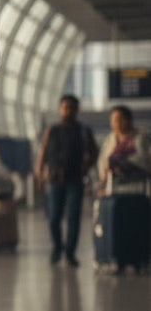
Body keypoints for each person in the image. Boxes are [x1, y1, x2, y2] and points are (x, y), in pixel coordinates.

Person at [34, 94, 98, 266]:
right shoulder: (51, 130)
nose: (67, 110)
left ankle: (70, 253)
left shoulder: (84, 131)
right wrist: (39, 172)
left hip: (75, 179)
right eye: (64, 107)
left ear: (76, 110)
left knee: (73, 218)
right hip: (54, 180)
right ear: (59, 109)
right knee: (54, 217)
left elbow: (94, 152)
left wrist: (87, 164)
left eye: (71, 107)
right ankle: (57, 248)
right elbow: (43, 152)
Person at [96, 104, 151, 188]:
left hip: (138, 187)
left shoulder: (141, 138)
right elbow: (103, 161)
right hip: (114, 187)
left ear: (128, 120)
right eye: (112, 120)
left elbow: (145, 160)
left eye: (118, 119)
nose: (114, 123)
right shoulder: (110, 140)